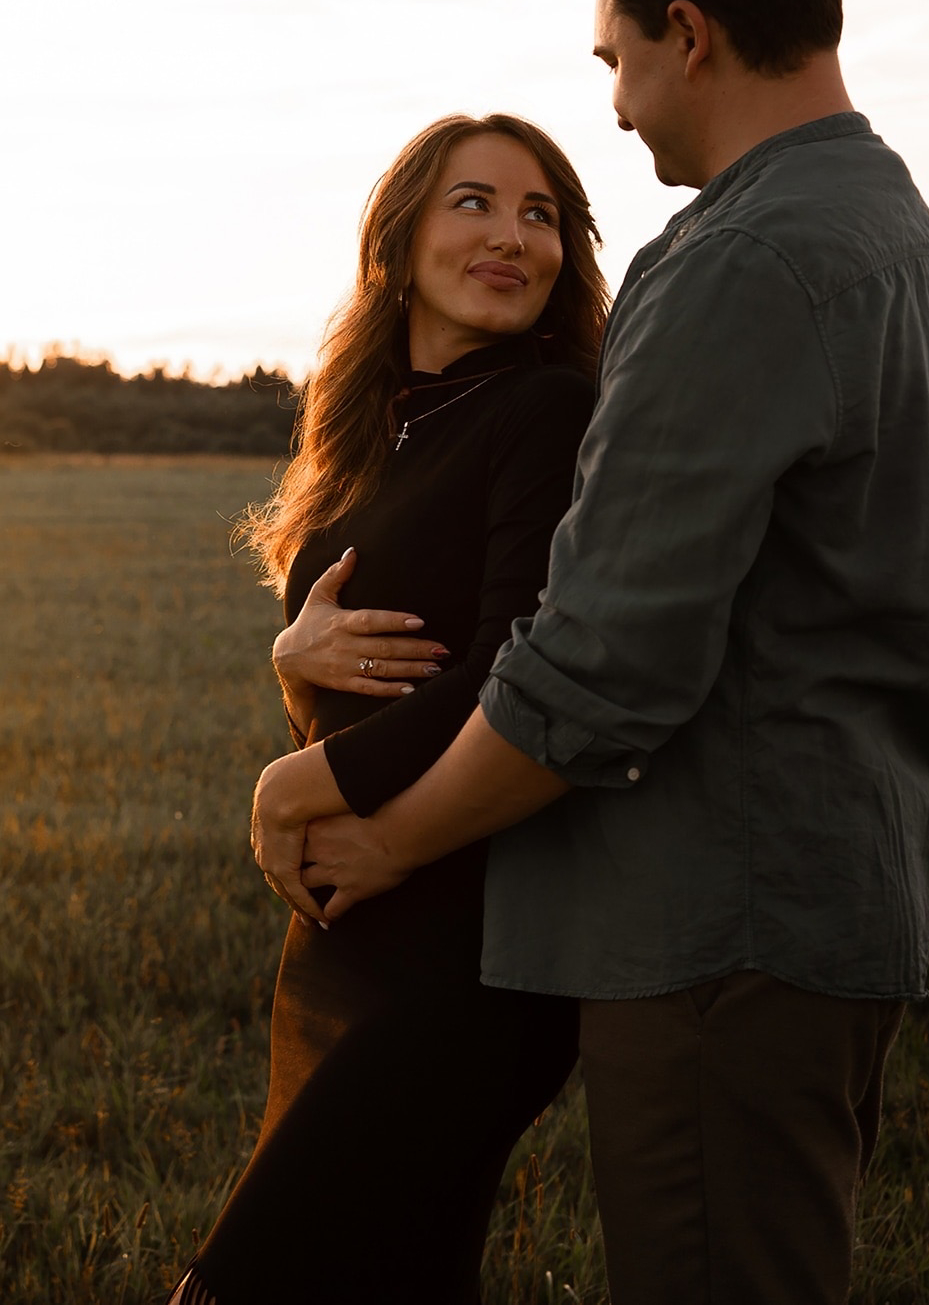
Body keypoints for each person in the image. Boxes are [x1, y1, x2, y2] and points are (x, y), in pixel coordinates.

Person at [254, 0, 929, 1304]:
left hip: (725, 912)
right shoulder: (890, 229)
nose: (616, 101)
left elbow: (604, 660)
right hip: (826, 890)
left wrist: (388, 833)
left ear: (689, 32)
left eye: (618, 56)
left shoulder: (744, 256)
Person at [172, 113, 611, 1305]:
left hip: (476, 946)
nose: (512, 237)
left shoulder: (547, 412)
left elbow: (513, 668)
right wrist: (290, 666)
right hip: (356, 925)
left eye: (541, 215)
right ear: (399, 237)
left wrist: (290, 786)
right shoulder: (376, 435)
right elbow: (362, 685)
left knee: (249, 1283)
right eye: (474, 203)